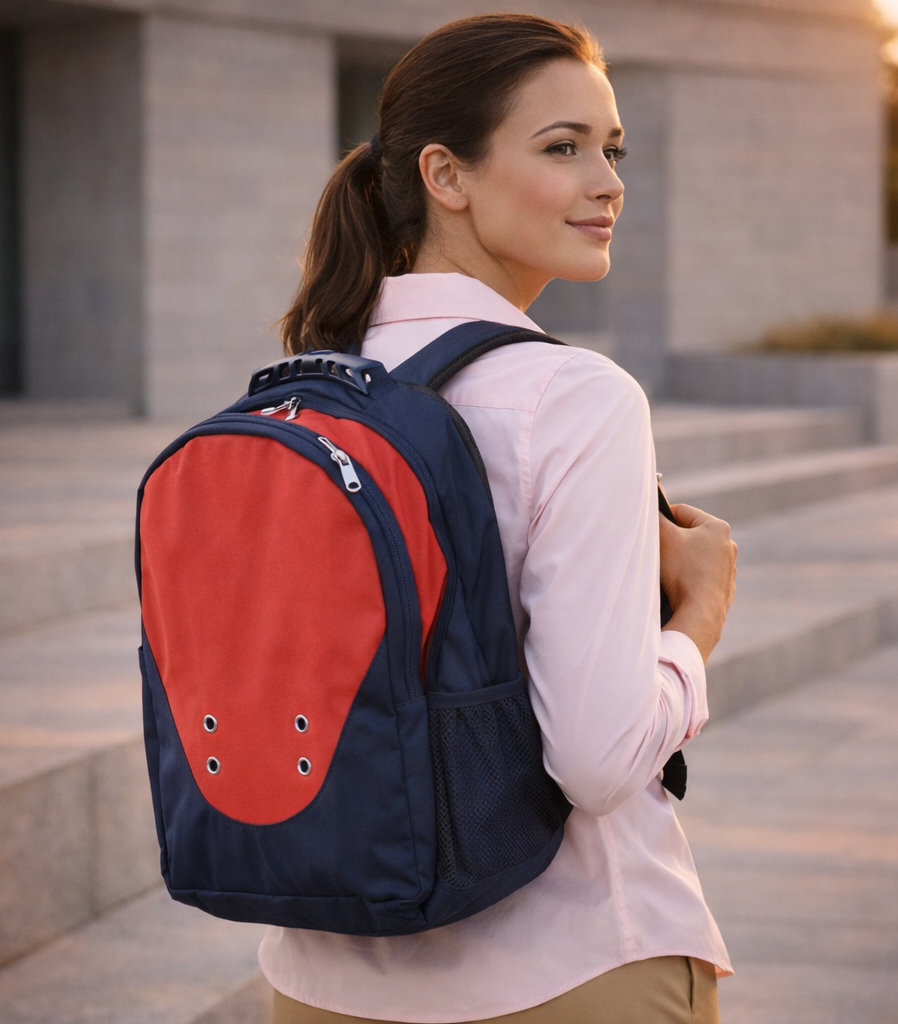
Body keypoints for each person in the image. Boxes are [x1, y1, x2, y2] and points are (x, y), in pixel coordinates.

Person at [261, 13, 738, 1024]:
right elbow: (597, 760)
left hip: (318, 978)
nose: (607, 182)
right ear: (447, 175)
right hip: (562, 970)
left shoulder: (299, 395)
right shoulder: (573, 398)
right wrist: (697, 614)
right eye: (561, 148)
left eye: (611, 149)